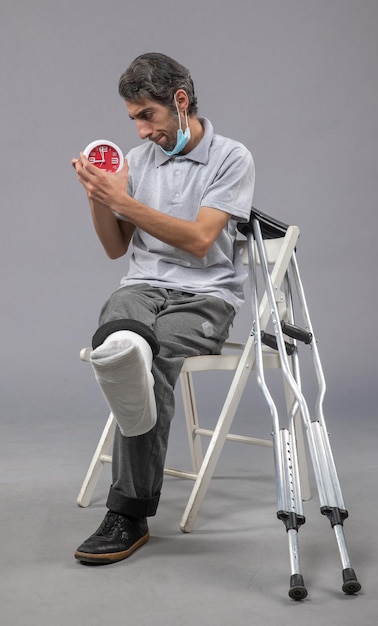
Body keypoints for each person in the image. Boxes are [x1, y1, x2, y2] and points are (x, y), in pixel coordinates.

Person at [71, 52, 255, 565]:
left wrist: (123, 199)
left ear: (179, 101)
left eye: (145, 115)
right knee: (122, 348)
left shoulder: (231, 158)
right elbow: (115, 248)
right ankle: (126, 346)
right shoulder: (137, 161)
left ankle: (128, 513)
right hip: (142, 289)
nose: (140, 129)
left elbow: (199, 240)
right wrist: (97, 195)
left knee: (144, 366)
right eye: (132, 118)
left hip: (205, 297)